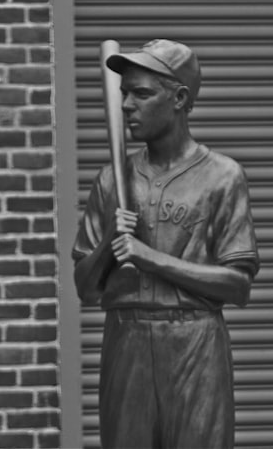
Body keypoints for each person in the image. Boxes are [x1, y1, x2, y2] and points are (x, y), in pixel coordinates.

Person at [72, 39, 260, 449]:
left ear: (179, 98)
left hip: (195, 341)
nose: (126, 106)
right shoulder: (111, 178)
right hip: (127, 341)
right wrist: (109, 243)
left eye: (142, 93)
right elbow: (85, 289)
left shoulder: (222, 177)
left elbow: (238, 287)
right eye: (124, 93)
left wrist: (149, 258)